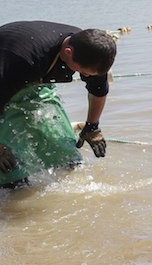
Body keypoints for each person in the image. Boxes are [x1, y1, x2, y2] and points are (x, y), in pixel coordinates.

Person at [0, 22, 115, 189]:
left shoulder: (92, 51)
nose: (86, 77)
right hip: (9, 67)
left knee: (67, 159)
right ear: (68, 52)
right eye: (83, 73)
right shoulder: (22, 59)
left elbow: (98, 90)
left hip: (32, 78)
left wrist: (92, 126)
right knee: (11, 176)